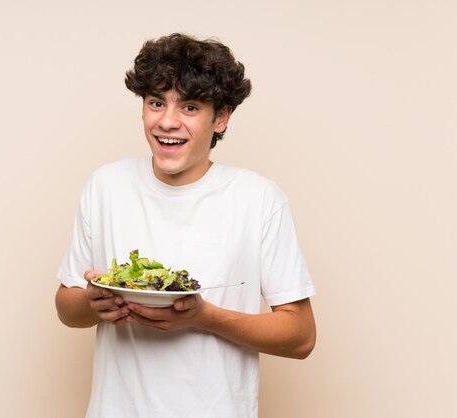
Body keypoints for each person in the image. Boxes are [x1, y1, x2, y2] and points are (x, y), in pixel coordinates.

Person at [55, 33, 316, 418]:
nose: (167, 121)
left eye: (190, 107)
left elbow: (301, 336)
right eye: (156, 102)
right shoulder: (105, 185)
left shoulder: (258, 198)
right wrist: (94, 302)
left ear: (221, 117)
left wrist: (205, 317)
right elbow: (66, 308)